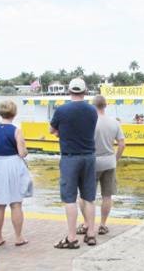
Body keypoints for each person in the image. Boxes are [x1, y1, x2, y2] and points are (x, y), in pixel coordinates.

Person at [50, 78, 98, 248]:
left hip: (70, 157)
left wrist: (63, 133)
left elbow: (53, 131)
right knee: (89, 198)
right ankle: (91, 233)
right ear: (85, 92)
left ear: (69, 91)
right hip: (89, 157)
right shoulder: (92, 110)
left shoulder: (61, 110)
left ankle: (71, 238)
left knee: (70, 198)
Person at [78, 95, 126, 237]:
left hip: (91, 162)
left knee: (85, 196)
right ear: (105, 106)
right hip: (109, 162)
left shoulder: (87, 122)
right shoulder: (114, 122)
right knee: (107, 195)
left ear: (93, 106)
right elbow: (122, 144)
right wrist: (115, 159)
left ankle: (86, 223)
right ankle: (103, 224)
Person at [0, 99, 31, 248]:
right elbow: (22, 152)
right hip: (13, 164)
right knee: (16, 203)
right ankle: (18, 237)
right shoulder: (16, 130)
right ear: (14, 113)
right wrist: (26, 150)